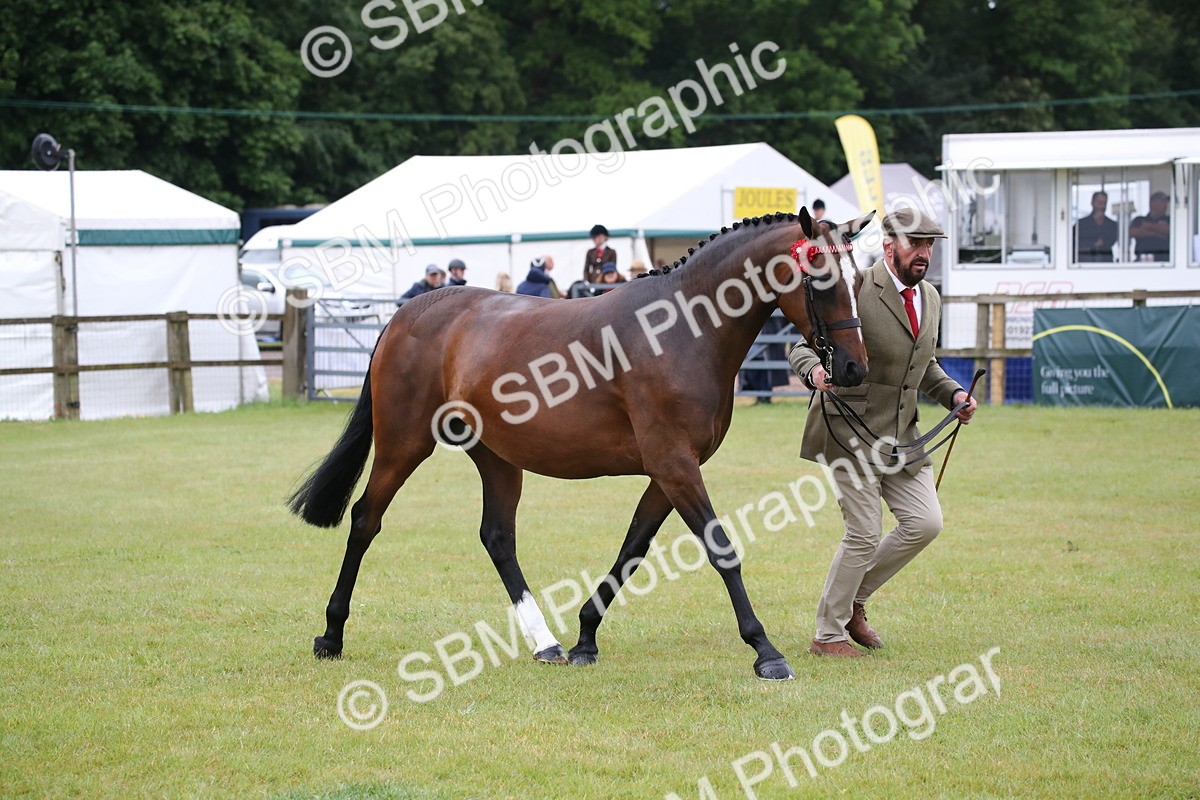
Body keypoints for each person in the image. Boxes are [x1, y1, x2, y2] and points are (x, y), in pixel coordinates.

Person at [789, 207, 978, 658]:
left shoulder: (930, 297)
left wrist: (953, 395)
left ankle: (854, 599)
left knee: (925, 523)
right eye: (917, 244)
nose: (925, 254)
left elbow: (924, 364)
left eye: (930, 245)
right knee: (864, 532)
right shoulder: (857, 288)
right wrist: (815, 371)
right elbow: (801, 346)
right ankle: (828, 635)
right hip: (847, 428)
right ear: (890, 245)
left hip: (901, 434)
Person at [1074, 191, 1119, 263]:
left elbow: (1112, 240)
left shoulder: (1111, 224)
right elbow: (1074, 243)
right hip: (1084, 263)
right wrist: (1093, 244)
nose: (1102, 207)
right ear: (1092, 203)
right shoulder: (1081, 224)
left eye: (1104, 203)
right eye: (1099, 203)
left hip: (1106, 263)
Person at [1129, 191, 1170, 262]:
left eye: (1166, 202)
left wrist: (1148, 226)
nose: (1166, 204)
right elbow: (1132, 232)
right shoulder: (1139, 219)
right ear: (1153, 204)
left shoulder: (1169, 220)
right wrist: (1159, 233)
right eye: (1162, 201)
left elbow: (1169, 231)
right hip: (1142, 260)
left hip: (1165, 262)